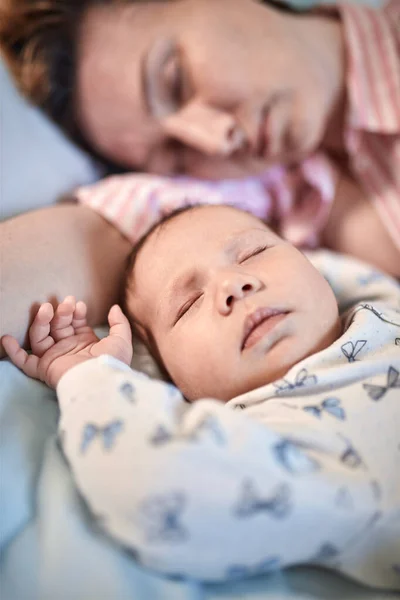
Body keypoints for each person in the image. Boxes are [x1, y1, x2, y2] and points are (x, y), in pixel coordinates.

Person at [2, 205, 400, 587]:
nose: (233, 284)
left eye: (255, 252)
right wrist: (90, 377)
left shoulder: (381, 305)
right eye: (188, 305)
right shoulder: (275, 444)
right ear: (174, 381)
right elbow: (154, 485)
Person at [0, 0, 399, 357]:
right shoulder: (265, 197)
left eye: (177, 82)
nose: (213, 140)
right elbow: (95, 239)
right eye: (174, 154)